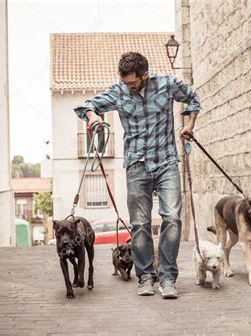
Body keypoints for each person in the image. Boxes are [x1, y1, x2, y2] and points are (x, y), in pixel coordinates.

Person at [74, 52, 201, 299]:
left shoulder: (167, 84)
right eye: (125, 83)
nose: (128, 87)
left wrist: (190, 125)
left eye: (132, 83)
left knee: (172, 218)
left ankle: (167, 277)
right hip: (136, 166)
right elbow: (86, 106)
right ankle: (145, 276)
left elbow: (193, 98)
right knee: (140, 224)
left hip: (166, 162)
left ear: (145, 75)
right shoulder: (119, 91)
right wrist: (93, 118)